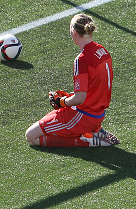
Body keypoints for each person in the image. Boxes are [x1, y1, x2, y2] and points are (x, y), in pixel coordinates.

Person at [25, 13, 119, 147]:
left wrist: (62, 102)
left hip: (83, 116)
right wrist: (70, 98)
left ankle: (87, 140)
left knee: (31, 136)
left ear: (74, 32)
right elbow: (95, 87)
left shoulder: (81, 59)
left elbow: (80, 99)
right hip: (98, 114)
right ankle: (96, 130)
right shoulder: (102, 51)